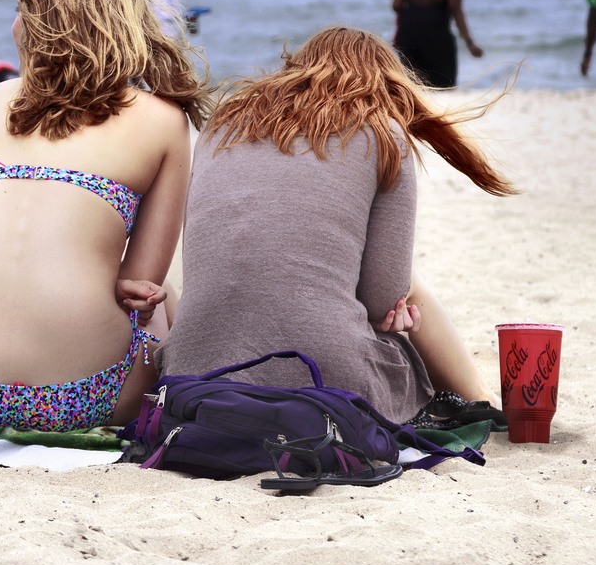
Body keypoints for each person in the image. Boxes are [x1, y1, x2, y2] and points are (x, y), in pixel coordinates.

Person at [163, 27, 518, 427]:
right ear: (383, 83)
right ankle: (482, 397)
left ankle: (481, 395)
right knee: (406, 321)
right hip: (324, 381)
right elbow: (385, 296)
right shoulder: (383, 135)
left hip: (191, 375)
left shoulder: (221, 126)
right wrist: (383, 316)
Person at [0, 0, 211, 430]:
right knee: (165, 301)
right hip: (85, 396)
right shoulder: (163, 121)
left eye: (20, 12)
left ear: (36, 25)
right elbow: (137, 289)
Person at [391, 0, 483, 89]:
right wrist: (469, 42)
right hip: (436, 32)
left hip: (408, 31)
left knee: (412, 85)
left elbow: (396, 5)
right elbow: (455, 9)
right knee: (443, 86)